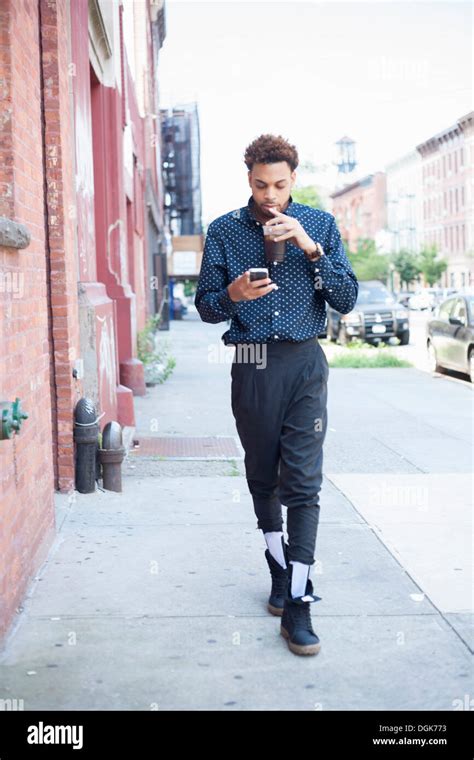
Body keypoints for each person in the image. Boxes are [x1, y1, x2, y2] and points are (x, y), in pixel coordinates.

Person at [195, 134, 358, 655]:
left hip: (305, 360)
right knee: (263, 474)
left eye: (281, 185)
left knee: (304, 484)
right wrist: (233, 294)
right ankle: (279, 572)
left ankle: (299, 605)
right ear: (248, 178)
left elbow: (347, 298)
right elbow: (207, 307)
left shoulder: (321, 224)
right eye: (262, 185)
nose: (271, 197)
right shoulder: (223, 230)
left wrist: (311, 248)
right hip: (251, 360)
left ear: (294, 180)